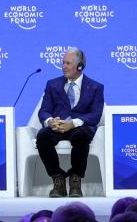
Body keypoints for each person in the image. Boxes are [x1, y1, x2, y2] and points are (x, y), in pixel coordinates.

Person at [35, 47, 104, 198]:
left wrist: (74, 123)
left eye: (68, 63)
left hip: (80, 127)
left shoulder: (96, 87)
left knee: (81, 136)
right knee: (42, 137)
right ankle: (58, 178)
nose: (64, 67)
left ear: (80, 66)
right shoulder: (52, 84)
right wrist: (50, 121)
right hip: (57, 126)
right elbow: (44, 110)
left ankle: (75, 179)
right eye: (63, 63)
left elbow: (95, 115)